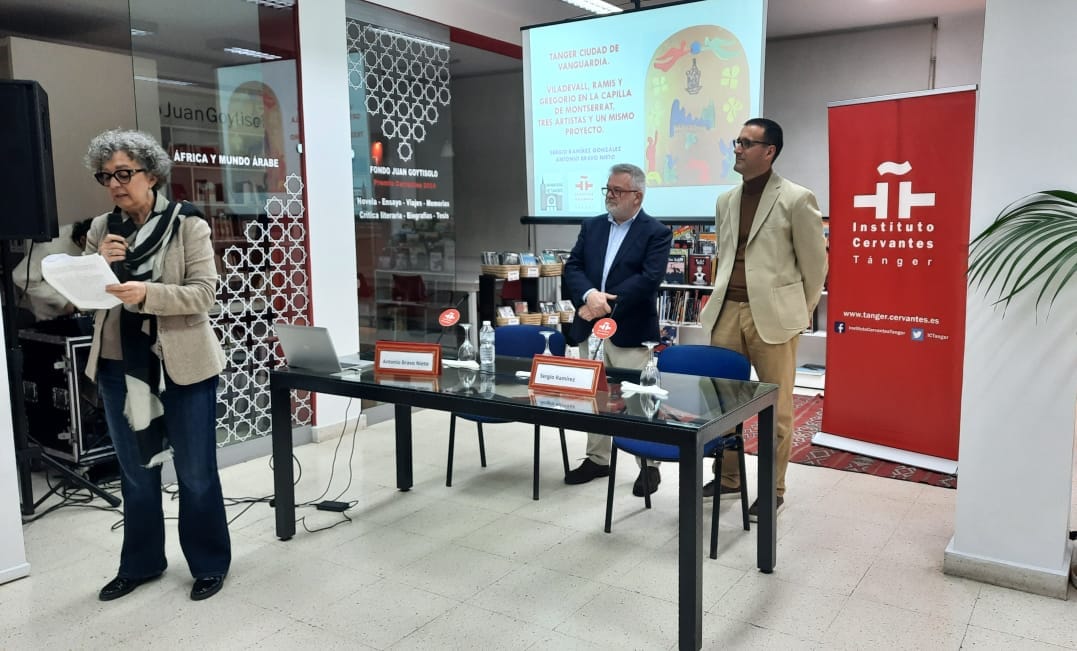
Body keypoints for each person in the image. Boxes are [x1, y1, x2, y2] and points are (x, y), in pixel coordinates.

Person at [82, 129, 231, 602]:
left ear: (153, 174)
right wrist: (97, 267)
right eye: (106, 175)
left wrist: (149, 294)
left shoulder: (189, 224)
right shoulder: (101, 228)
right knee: (135, 473)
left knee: (196, 472)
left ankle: (208, 562)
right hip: (118, 364)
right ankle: (142, 563)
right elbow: (86, 298)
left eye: (124, 173)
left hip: (182, 364)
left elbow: (205, 294)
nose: (114, 184)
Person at [697, 118, 828, 520]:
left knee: (777, 407)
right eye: (737, 141)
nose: (737, 149)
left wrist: (800, 313)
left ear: (769, 151)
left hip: (772, 318)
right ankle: (730, 477)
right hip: (726, 313)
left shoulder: (796, 198)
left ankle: (774, 488)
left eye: (746, 143)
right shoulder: (725, 201)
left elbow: (815, 264)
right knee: (723, 403)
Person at [562, 163, 672, 496]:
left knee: (639, 398)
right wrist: (589, 296)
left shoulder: (656, 232)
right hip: (589, 325)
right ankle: (597, 458)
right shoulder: (591, 226)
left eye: (618, 191)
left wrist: (606, 303)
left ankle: (648, 465)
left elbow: (648, 279)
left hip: (631, 327)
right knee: (593, 394)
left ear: (637, 196)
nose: (610, 196)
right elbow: (574, 266)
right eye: (608, 189)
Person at [12, 219, 92, 324]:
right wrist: (62, 301)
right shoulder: (51, 247)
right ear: (83, 240)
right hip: (53, 318)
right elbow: (21, 277)